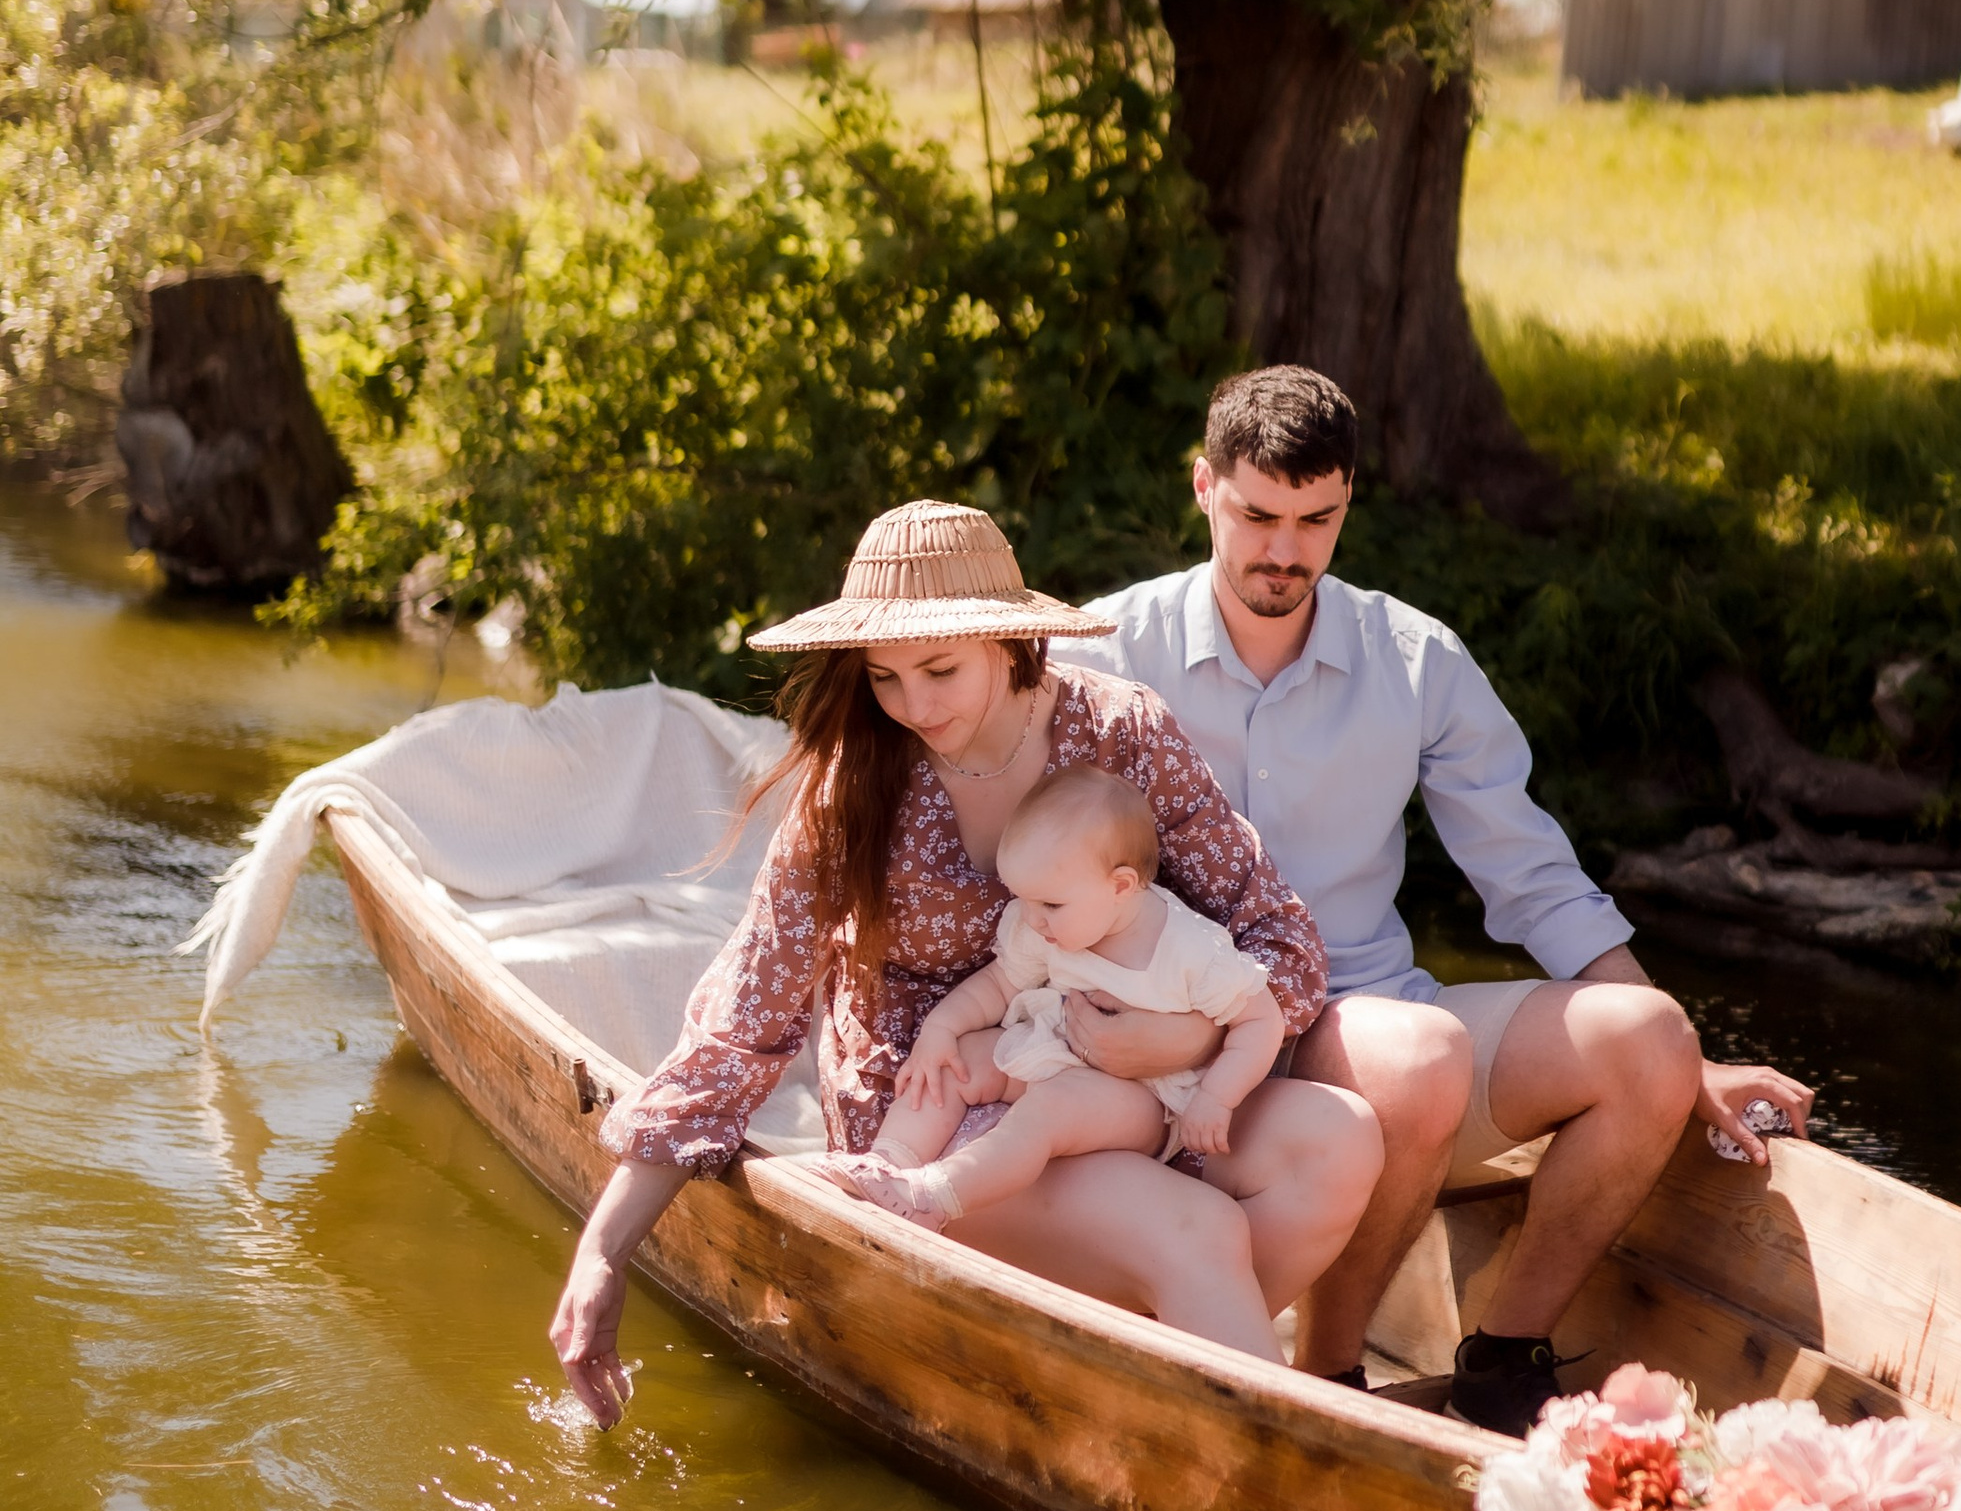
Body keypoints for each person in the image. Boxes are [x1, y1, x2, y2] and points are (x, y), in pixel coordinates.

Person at [1079, 367, 1812, 1434]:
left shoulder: (1413, 659)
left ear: (1346, 509)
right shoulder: (1104, 651)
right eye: (1258, 516)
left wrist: (1694, 1063)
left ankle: (1501, 1359)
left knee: (1647, 1039)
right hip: (1173, 1035)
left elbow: (1530, 873)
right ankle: (1331, 1377)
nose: (1284, 550)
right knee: (1417, 1060)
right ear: (1204, 488)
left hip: (1358, 1013)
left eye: (1315, 520)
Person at [548, 499, 1382, 1415]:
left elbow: (1281, 940)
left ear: (1008, 640)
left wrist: (1181, 1039)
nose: (914, 706)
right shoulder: (852, 787)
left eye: (940, 669)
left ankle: (1135, 1400)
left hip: (1121, 1087)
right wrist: (602, 1251)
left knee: (1339, 1142)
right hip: (935, 1116)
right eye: (885, 678)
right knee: (1197, 1230)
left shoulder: (1118, 733)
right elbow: (741, 1031)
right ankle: (1242, 1439)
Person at [831, 764, 1286, 1267]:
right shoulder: (1049, 920)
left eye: (1049, 903)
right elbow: (999, 984)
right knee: (957, 1059)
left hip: (1140, 1097)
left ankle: (932, 1199)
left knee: (1050, 1109)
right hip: (1054, 1043)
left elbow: (1263, 1021)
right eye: (1022, 898)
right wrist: (941, 1029)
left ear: (1121, 886)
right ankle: (888, 1161)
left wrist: (1217, 1097)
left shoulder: (1191, 951)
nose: (1032, 918)